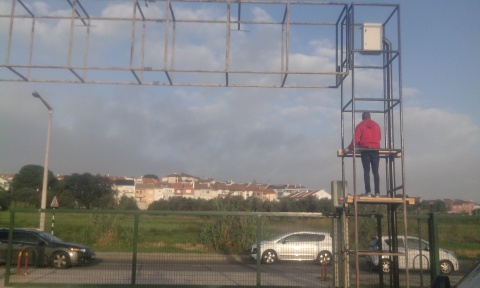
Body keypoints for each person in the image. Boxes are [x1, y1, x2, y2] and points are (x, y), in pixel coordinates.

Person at [346, 112, 381, 197]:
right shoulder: (376, 125)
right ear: (370, 117)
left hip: (365, 150)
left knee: (366, 171)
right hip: (375, 149)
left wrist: (349, 148)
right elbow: (379, 137)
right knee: (376, 172)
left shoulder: (360, 126)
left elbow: (356, 140)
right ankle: (377, 193)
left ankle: (368, 192)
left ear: (362, 117)